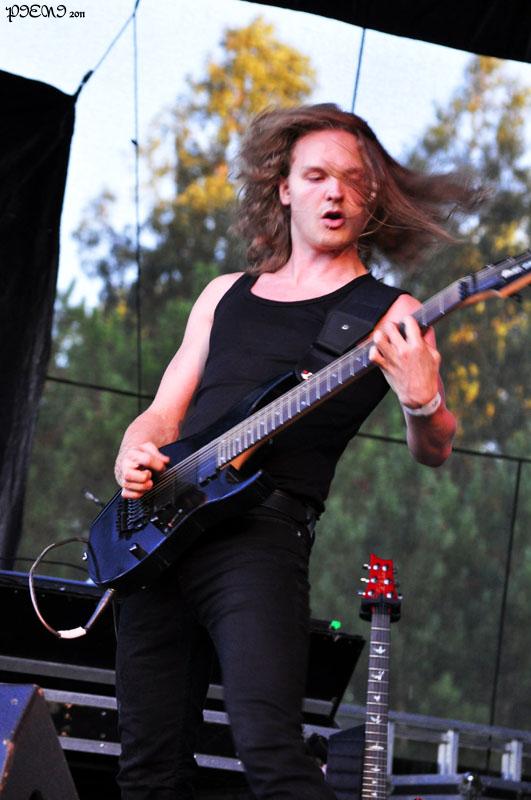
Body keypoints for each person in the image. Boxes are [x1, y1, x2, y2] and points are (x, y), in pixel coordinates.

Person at [112, 104, 480, 799]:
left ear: (370, 198)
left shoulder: (391, 313)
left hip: (258, 539)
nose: (334, 192)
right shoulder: (224, 294)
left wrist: (421, 401)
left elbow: (435, 447)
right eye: (316, 176)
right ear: (283, 188)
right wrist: (132, 453)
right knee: (146, 771)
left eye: (352, 180)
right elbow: (161, 413)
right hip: (160, 536)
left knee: (270, 752)